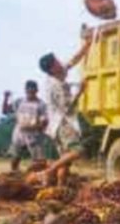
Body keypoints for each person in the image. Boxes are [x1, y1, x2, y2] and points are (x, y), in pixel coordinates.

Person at [37, 30, 93, 185]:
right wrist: (81, 91)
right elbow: (67, 108)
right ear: (52, 68)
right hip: (63, 123)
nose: (59, 62)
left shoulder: (57, 74)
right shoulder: (56, 86)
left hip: (57, 124)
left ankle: (59, 189)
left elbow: (73, 60)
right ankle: (49, 171)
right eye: (56, 61)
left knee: (66, 160)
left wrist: (86, 45)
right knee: (78, 151)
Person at [2, 80, 48, 172]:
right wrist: (6, 98)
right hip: (19, 134)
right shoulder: (19, 101)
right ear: (25, 90)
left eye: (32, 90)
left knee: (39, 161)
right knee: (15, 157)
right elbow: (5, 111)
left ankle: (36, 176)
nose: (30, 92)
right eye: (28, 90)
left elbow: (44, 122)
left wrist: (32, 127)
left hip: (34, 135)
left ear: (36, 90)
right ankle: (14, 173)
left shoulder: (41, 104)